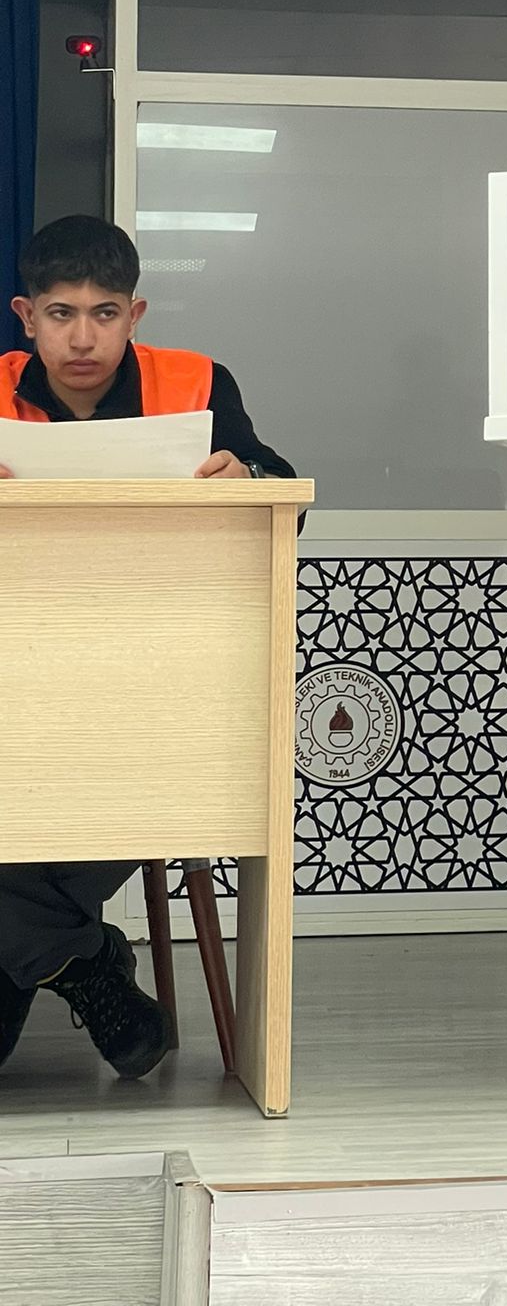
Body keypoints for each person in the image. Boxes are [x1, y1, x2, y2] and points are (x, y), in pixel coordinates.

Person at [0, 215, 295, 1082]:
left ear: (135, 314)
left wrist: (249, 477)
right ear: (26, 315)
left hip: (157, 692)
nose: (82, 338)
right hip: (18, 684)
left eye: (104, 314)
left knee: (157, 765)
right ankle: (80, 961)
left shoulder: (197, 383)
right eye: (61, 314)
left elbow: (284, 492)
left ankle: (49, 950)